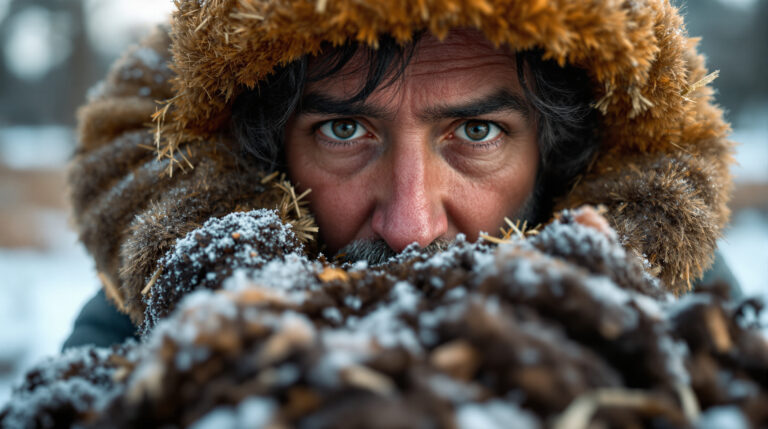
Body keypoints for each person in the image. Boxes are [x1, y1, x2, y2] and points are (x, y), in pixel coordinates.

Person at [64, 0, 735, 348]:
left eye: (476, 132)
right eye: (344, 130)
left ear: (561, 157)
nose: (410, 225)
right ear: (264, 156)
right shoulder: (162, 316)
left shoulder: (685, 320)